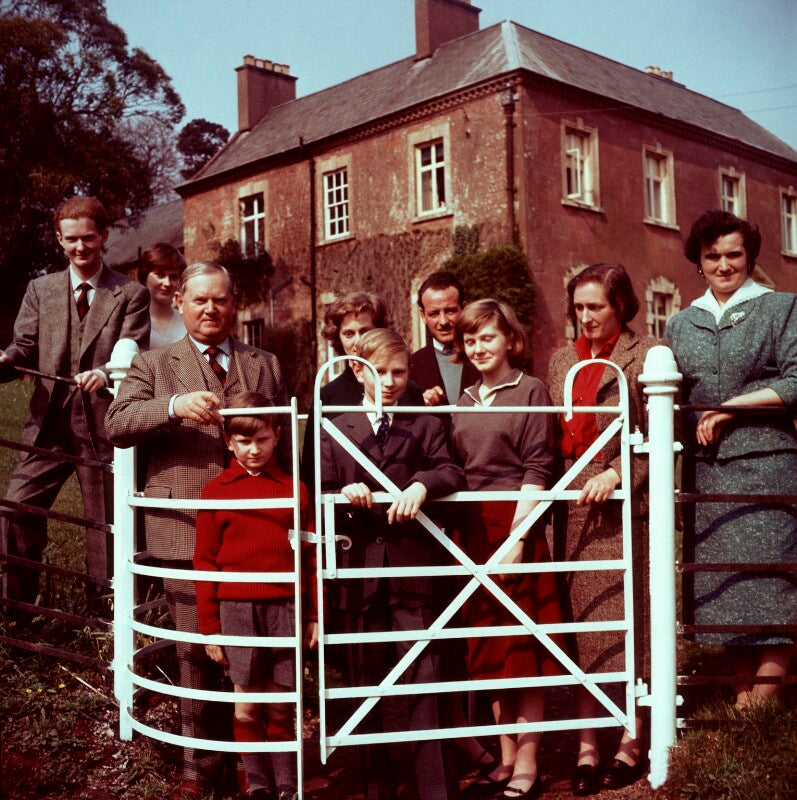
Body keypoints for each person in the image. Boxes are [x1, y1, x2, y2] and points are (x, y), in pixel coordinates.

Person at [105, 261, 288, 800]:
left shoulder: (264, 364)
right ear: (180, 303)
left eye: (221, 300)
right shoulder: (153, 363)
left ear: (235, 304)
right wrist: (173, 406)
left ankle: (257, 765)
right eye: (201, 300)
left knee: (258, 648)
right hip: (184, 526)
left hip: (258, 533)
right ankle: (198, 763)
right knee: (195, 648)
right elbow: (117, 423)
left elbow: (286, 441)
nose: (211, 309)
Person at [320, 328, 464, 800]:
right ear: (357, 370)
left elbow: (450, 469)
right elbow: (319, 486)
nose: (389, 381)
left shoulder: (425, 423)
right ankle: (374, 786)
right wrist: (342, 494)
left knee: (426, 675)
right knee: (364, 679)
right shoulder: (334, 426)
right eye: (379, 371)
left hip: (412, 570)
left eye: (399, 372)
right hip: (359, 572)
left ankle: (436, 790)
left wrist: (423, 484)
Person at [665, 210, 797, 711]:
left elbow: (796, 380)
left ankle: (761, 703)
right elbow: (672, 407)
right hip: (708, 474)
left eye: (734, 254)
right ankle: (746, 703)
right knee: (728, 588)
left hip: (770, 468)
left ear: (750, 256)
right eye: (712, 256)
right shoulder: (680, 324)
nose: (724, 265)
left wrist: (731, 407)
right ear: (698, 261)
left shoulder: (781, 308)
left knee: (772, 581)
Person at [0, 195, 150, 608]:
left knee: (105, 524)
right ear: (59, 240)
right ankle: (17, 609)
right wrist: (7, 359)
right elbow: (24, 347)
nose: (80, 247)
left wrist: (106, 373)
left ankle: (106, 614)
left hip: (103, 425)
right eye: (71, 239)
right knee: (15, 509)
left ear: (104, 236)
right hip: (47, 425)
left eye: (88, 238)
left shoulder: (130, 294)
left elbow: (134, 351)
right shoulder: (40, 289)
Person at [547, 263, 659, 794]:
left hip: (620, 507)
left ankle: (632, 738)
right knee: (581, 628)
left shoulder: (647, 354)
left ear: (621, 305)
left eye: (597, 306)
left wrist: (618, 472)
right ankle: (587, 744)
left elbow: (660, 434)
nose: (586, 317)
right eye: (579, 307)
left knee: (630, 622)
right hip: (570, 509)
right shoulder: (561, 359)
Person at [450, 299, 561, 800]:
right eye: (470, 339)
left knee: (523, 648)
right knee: (490, 647)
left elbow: (538, 467)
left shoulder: (530, 389)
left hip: (517, 524)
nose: (478, 347)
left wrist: (518, 538)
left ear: (509, 340)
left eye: (487, 337)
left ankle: (529, 762)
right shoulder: (464, 397)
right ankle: (506, 756)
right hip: (472, 531)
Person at [194, 391, 317, 800]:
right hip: (237, 610)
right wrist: (211, 628)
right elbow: (204, 561)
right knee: (246, 704)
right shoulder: (216, 491)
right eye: (244, 441)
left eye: (262, 439)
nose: (254, 449)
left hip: (284, 607)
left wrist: (313, 615)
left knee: (281, 703)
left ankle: (286, 783)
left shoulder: (294, 489)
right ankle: (257, 782)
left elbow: (310, 557)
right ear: (228, 441)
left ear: (278, 435)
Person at [300, 291, 422, 491]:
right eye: (349, 333)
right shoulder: (326, 396)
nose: (357, 341)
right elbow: (313, 468)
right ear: (338, 337)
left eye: (365, 331)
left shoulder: (408, 390)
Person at [411, 270, 479, 407]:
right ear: (423, 315)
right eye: (434, 313)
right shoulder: (411, 366)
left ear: (464, 309)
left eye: (450, 311)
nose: (443, 321)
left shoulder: (486, 357)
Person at [137, 242, 187, 349]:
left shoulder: (187, 321)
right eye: (160, 275)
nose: (167, 283)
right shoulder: (134, 321)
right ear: (145, 277)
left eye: (173, 276)